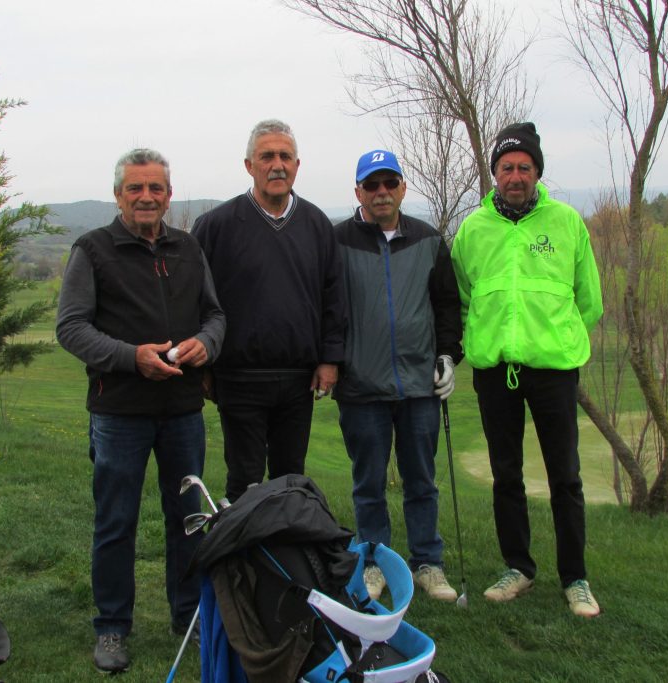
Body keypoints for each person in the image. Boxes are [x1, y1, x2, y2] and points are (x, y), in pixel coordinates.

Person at [56, 148, 226, 672]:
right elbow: (71, 327)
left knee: (188, 519)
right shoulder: (93, 250)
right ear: (118, 195)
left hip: (182, 410)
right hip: (120, 412)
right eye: (136, 188)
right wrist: (133, 358)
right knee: (116, 521)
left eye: (156, 188)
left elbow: (215, 315)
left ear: (169, 195)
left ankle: (188, 616)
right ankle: (111, 627)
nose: (146, 197)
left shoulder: (188, 248)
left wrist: (205, 344)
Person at [450, 122, 604, 617]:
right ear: (494, 173)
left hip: (553, 371)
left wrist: (555, 340)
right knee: (506, 474)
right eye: (506, 167)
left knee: (566, 476)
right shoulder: (473, 230)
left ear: (537, 171)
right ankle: (518, 567)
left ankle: (575, 578)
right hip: (496, 371)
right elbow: (462, 298)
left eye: (524, 167)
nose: (515, 176)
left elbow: (589, 301)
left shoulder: (566, 222)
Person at [191, 119, 345, 503]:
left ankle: (285, 544)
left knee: (291, 480)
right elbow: (195, 300)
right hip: (238, 377)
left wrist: (330, 359)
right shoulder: (216, 226)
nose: (277, 165)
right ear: (249, 165)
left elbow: (334, 297)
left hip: (298, 378)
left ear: (297, 165)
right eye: (267, 157)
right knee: (244, 481)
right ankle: (241, 543)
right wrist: (203, 365)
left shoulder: (317, 225)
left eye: (285, 157)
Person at [333, 149, 463, 603]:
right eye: (372, 185)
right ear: (358, 192)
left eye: (390, 183)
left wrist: (448, 355)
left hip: (419, 385)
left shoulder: (428, 240)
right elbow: (328, 309)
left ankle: (428, 563)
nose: (382, 192)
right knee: (368, 484)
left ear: (403, 188)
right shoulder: (338, 242)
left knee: (421, 481)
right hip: (361, 386)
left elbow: (447, 305)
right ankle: (374, 562)